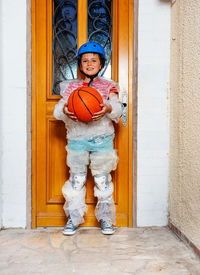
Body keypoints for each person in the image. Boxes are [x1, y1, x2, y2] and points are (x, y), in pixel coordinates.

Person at [53, 42, 122, 236]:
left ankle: (106, 218)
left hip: (102, 138)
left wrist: (108, 108)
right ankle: (73, 218)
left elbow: (119, 108)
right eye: (85, 60)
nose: (89, 64)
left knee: (102, 179)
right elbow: (58, 110)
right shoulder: (71, 87)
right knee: (77, 179)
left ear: (101, 64)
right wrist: (66, 109)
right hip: (77, 139)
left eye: (94, 60)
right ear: (79, 64)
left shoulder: (109, 86)